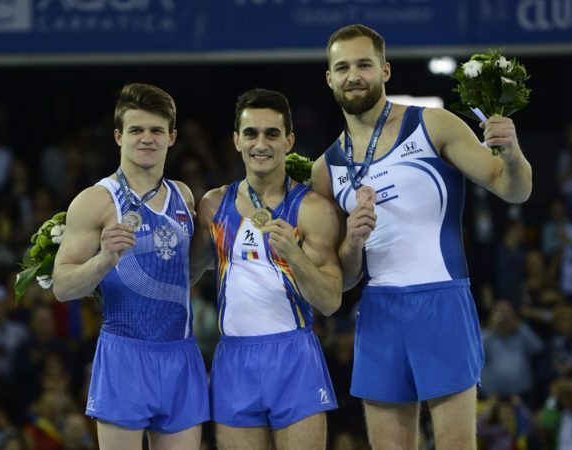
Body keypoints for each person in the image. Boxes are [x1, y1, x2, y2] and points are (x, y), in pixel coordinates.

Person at [311, 24, 533, 450]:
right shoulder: (327, 168)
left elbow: (512, 189)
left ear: (385, 70)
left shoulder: (432, 125)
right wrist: (352, 244)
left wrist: (511, 153)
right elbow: (345, 279)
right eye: (342, 68)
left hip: (441, 302)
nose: (353, 75)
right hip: (377, 312)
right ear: (329, 78)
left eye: (364, 65)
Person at [52, 83, 209, 450]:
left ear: (172, 137)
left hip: (181, 354)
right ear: (119, 136)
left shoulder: (184, 196)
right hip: (124, 356)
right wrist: (103, 260)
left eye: (156, 130)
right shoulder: (96, 201)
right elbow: (62, 286)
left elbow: (186, 271)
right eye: (136, 130)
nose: (147, 138)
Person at [191, 88, 342, 450]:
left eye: (272, 134)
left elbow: (330, 300)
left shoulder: (312, 210)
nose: (261, 144)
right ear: (236, 141)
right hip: (234, 361)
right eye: (251, 133)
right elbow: (188, 273)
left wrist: (294, 255)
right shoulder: (213, 206)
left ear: (289, 141)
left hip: (295, 357)